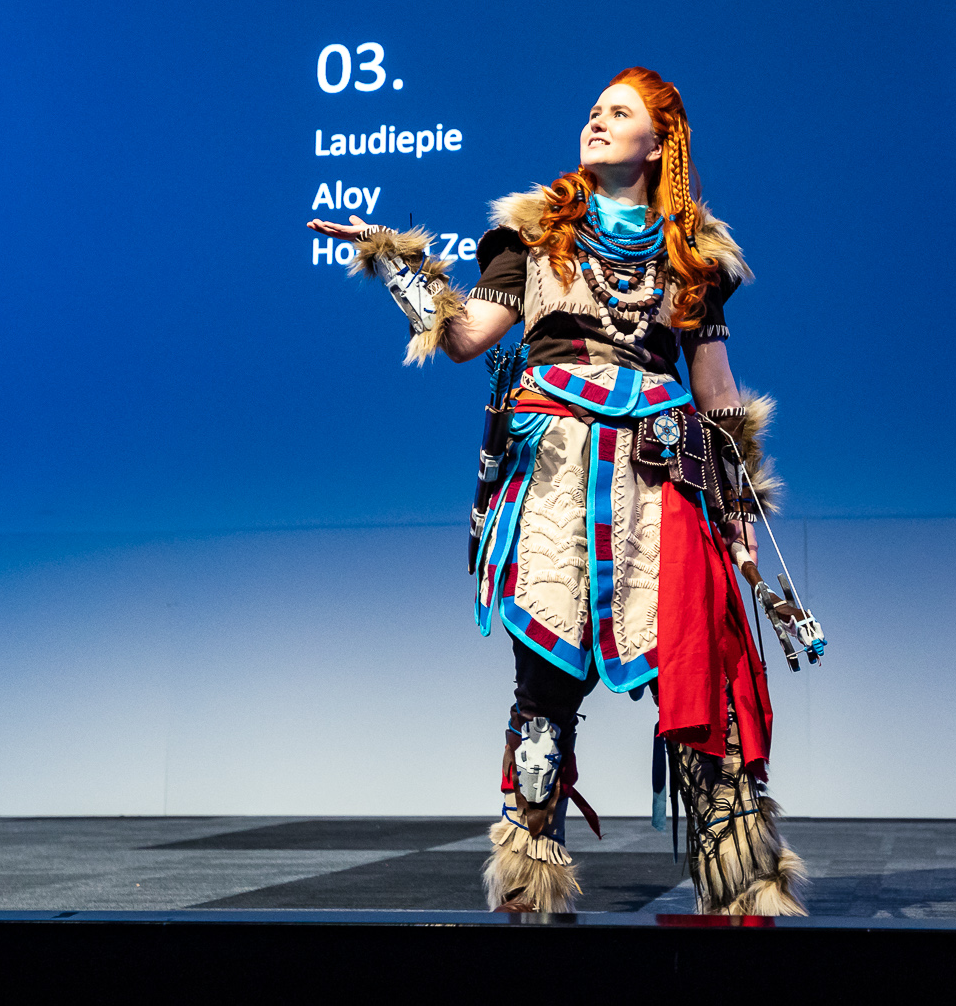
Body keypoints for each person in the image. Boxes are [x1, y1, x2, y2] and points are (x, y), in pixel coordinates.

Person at [309, 67, 816, 915]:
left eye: (618, 112)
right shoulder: (535, 232)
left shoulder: (694, 256)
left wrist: (740, 512)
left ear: (659, 142)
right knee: (543, 694)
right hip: (554, 480)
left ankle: (741, 885)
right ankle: (530, 882)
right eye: (592, 110)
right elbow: (464, 337)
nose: (596, 120)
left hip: (660, 485)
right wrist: (393, 259)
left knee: (701, 681)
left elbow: (719, 391)